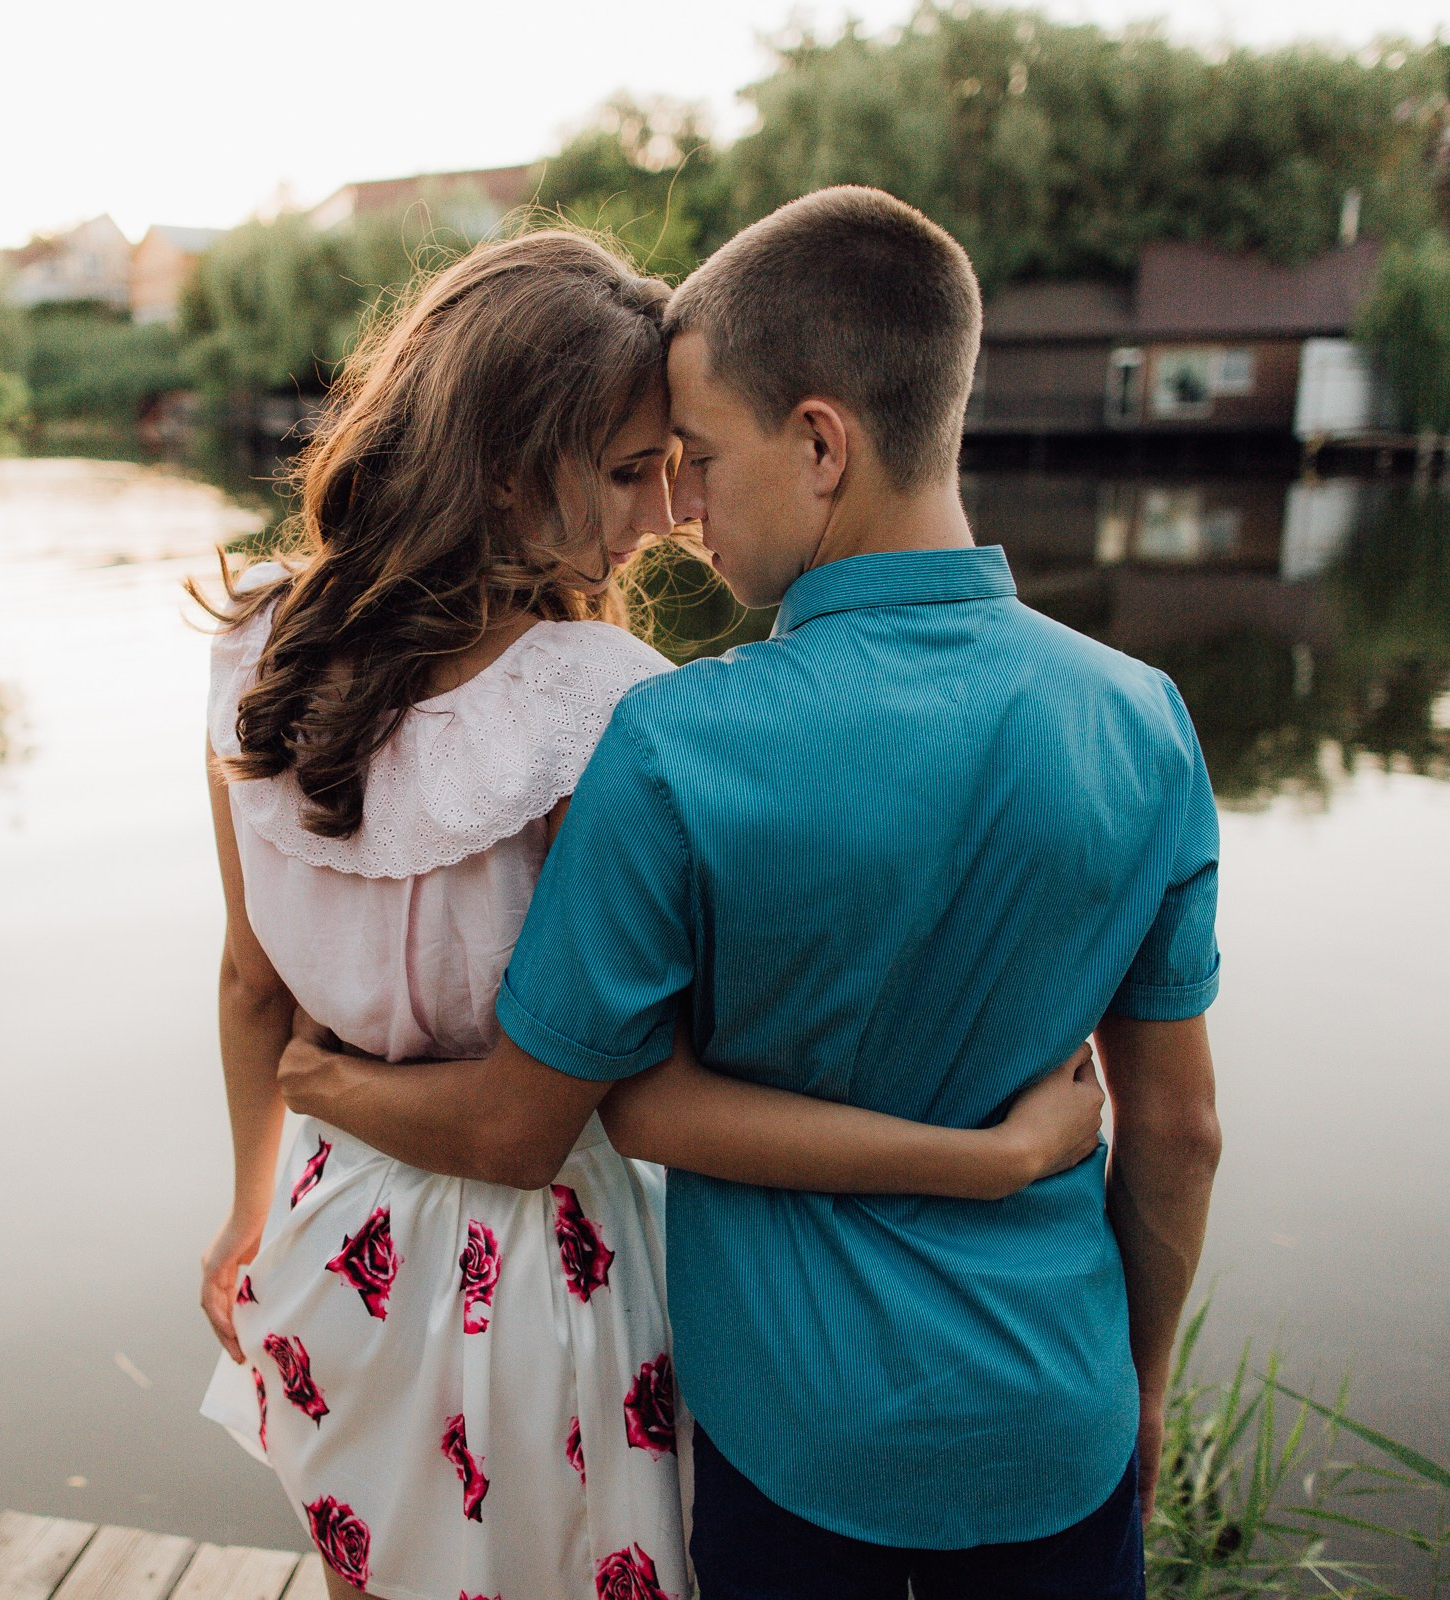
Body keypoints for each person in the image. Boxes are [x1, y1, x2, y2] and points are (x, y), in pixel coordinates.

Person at [278, 188, 1225, 1600]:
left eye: (704, 459)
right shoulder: (1142, 719)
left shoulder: (676, 744)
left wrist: (324, 1089)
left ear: (823, 445)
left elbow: (629, 1100)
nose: (679, 513)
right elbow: (1182, 1130)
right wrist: (1138, 1389)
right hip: (1053, 1423)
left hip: (790, 1443)